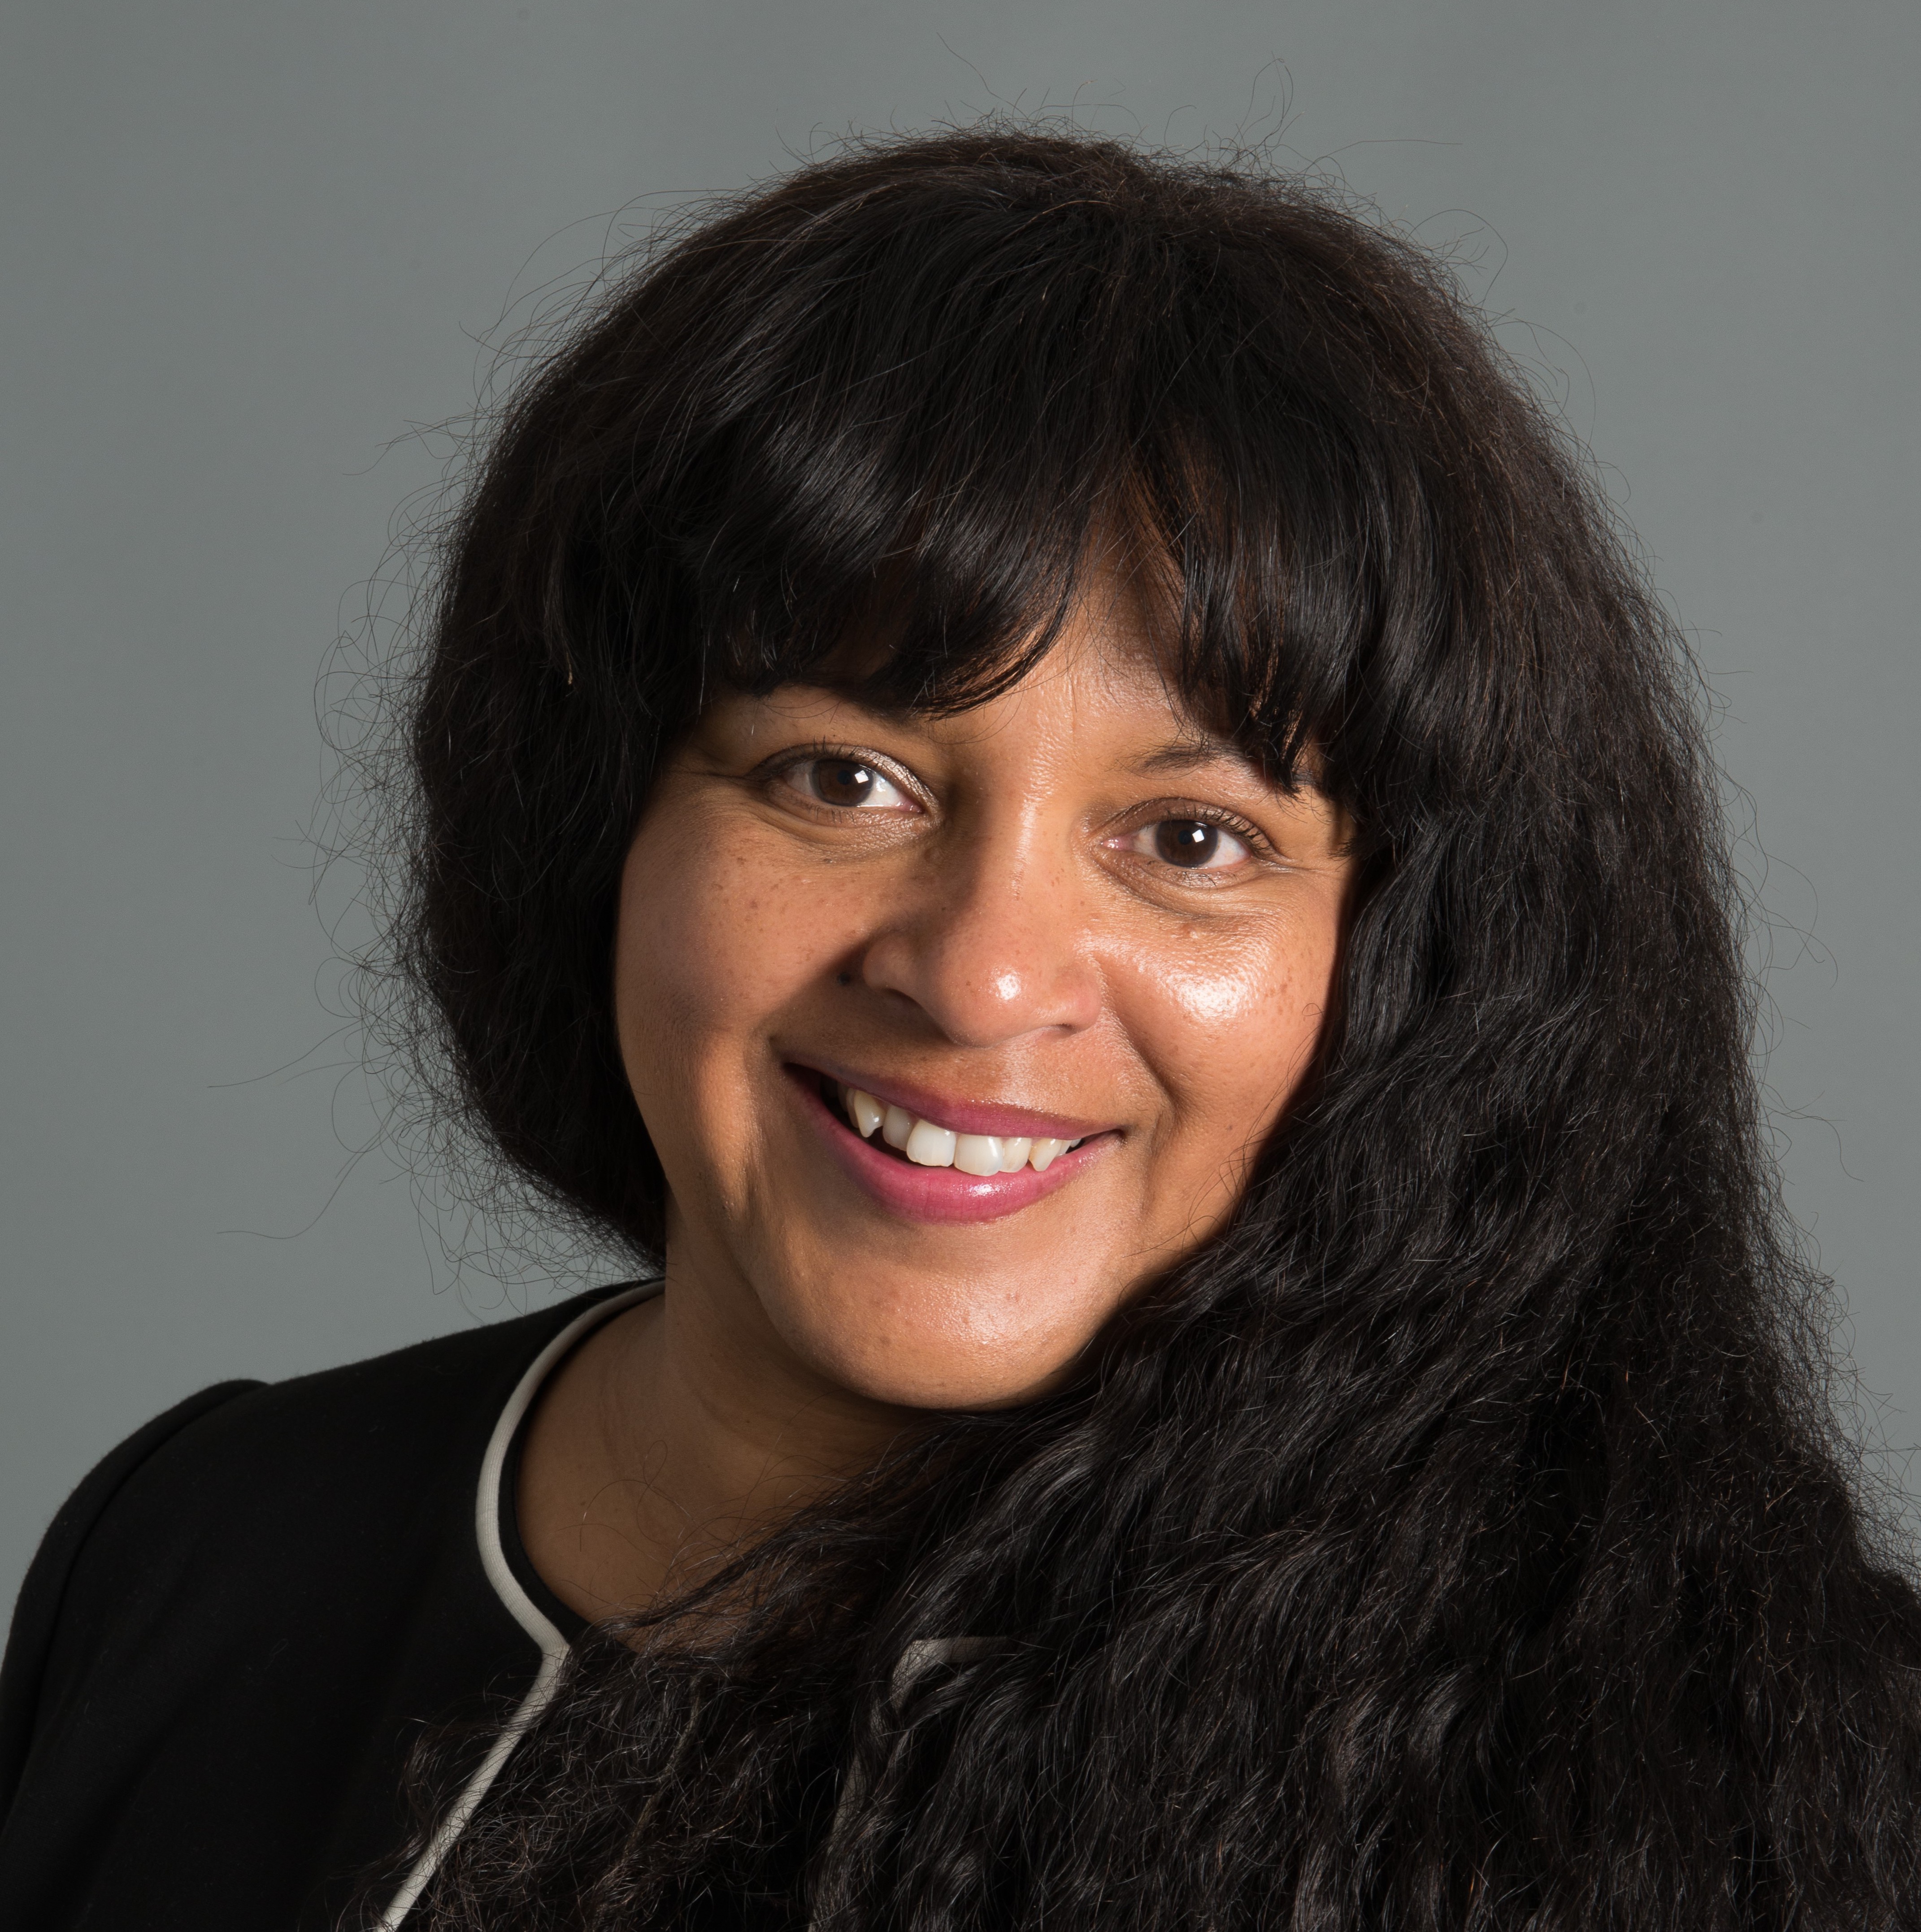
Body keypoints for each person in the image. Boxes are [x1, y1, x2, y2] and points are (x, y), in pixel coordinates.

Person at [2, 124, 1917, 1932]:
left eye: (1191, 839)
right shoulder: (201, 1549)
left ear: (1423, 960)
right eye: (842, 779)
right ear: (593, 819)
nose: (984, 976)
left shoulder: (1730, 1789)